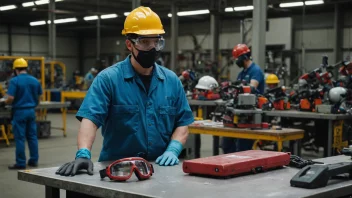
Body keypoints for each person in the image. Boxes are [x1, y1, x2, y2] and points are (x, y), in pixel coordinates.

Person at [56, 6, 194, 177]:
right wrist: (83, 153)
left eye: (156, 42)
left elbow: (182, 121)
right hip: (117, 171)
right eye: (144, 42)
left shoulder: (172, 81)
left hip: (159, 169)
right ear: (130, 44)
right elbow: (90, 119)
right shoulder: (108, 79)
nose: (152, 48)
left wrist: (173, 149)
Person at [221, 44, 265, 154]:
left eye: (237, 58)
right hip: (239, 112)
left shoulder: (256, 70)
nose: (236, 61)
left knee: (243, 146)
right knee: (226, 142)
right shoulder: (242, 73)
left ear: (244, 57)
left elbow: (251, 88)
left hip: (251, 113)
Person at [0, 58, 43, 169]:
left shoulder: (15, 81)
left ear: (15, 70)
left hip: (19, 112)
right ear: (26, 68)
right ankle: (34, 160)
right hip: (31, 111)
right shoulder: (35, 80)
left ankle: (21, 163)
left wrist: (4, 101)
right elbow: (40, 97)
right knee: (32, 137)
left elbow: (10, 98)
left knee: (20, 138)